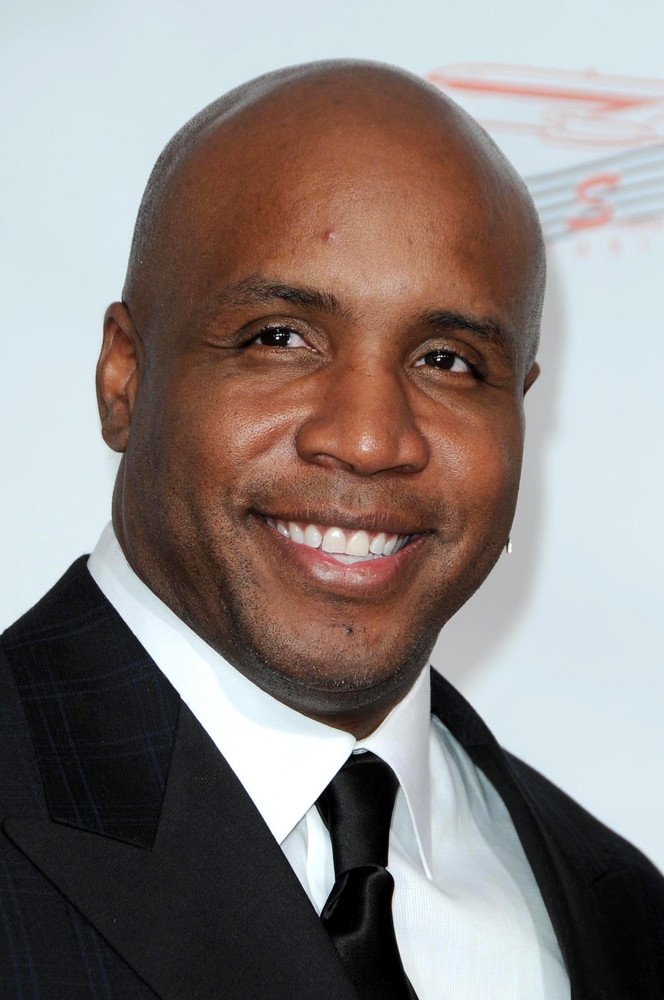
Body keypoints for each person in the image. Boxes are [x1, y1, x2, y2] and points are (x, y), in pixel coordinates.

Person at [0, 60, 662, 1000]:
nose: (367, 437)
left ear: (523, 408)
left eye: (448, 360)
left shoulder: (624, 918)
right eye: (280, 337)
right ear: (124, 377)